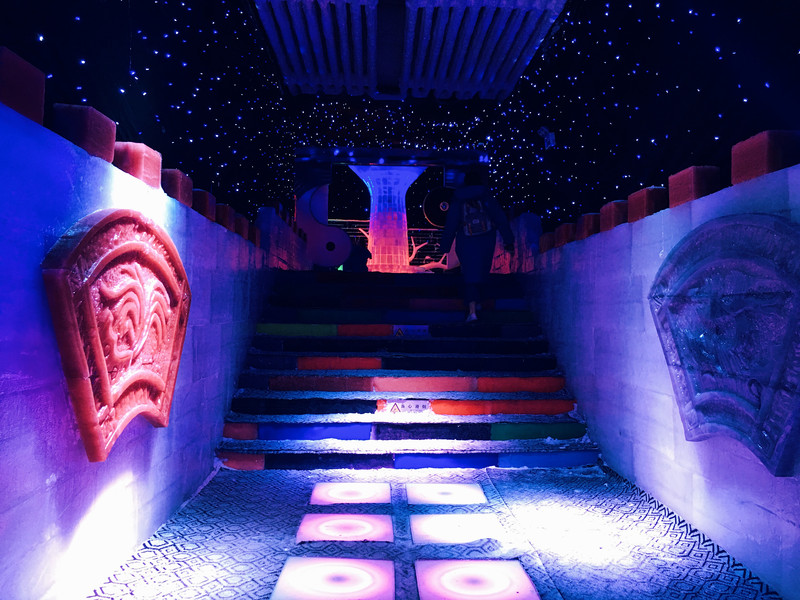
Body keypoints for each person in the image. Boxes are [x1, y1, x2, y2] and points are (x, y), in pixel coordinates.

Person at [440, 166, 514, 322]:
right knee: (482, 272)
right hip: (486, 239)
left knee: (469, 274)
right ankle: (479, 303)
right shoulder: (486, 196)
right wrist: (509, 241)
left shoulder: (458, 198)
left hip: (466, 240)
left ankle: (472, 312)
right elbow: (500, 218)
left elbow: (451, 223)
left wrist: (445, 245)